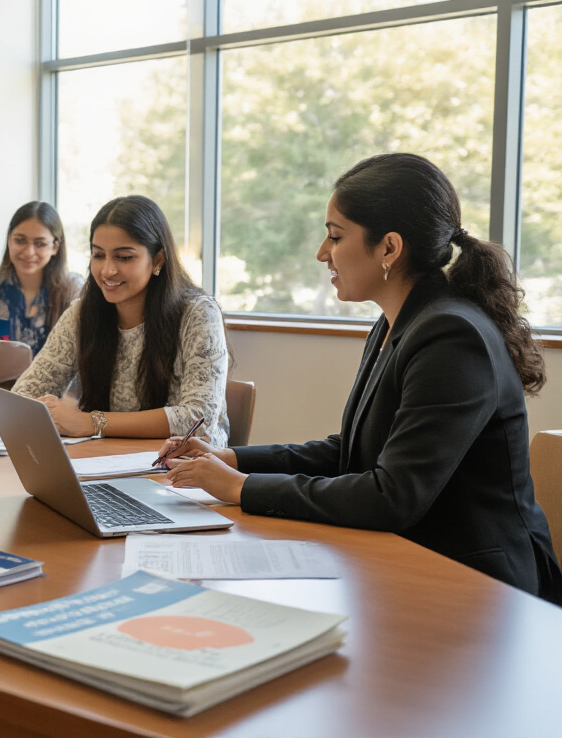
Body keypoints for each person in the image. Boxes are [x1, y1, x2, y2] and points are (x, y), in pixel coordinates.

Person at [160, 153, 562, 602]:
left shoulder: (452, 335)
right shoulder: (399, 321)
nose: (321, 252)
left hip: (481, 587)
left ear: (389, 247)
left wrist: (239, 488)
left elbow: (393, 495)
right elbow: (351, 453)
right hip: (411, 561)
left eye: (335, 236)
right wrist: (231, 459)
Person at [5, 195, 230, 445]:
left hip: (184, 469)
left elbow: (198, 419)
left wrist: (92, 422)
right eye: (98, 255)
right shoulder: (81, 314)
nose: (107, 271)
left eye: (123, 257)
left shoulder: (198, 313)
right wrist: (11, 413)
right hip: (106, 460)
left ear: (158, 260)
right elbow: (27, 392)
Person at [0, 202, 83, 354]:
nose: (29, 252)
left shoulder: (74, 288)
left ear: (55, 247)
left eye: (40, 243)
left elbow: (81, 354)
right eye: (20, 241)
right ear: (9, 240)